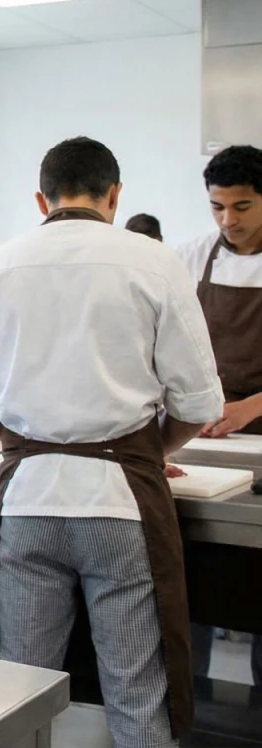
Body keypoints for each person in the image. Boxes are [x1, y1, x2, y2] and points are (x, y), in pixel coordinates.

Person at [0, 136, 222, 747]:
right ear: (114, 195)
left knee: (20, 691)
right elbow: (200, 403)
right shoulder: (154, 262)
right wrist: (150, 448)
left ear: (40, 199)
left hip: (28, 503)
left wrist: (28, 445)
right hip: (121, 505)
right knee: (135, 693)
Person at [174, 145, 262, 692]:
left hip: (258, 441)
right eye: (217, 207)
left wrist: (250, 407)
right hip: (202, 439)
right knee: (196, 572)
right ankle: (193, 698)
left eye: (244, 207)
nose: (228, 220)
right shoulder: (189, 257)